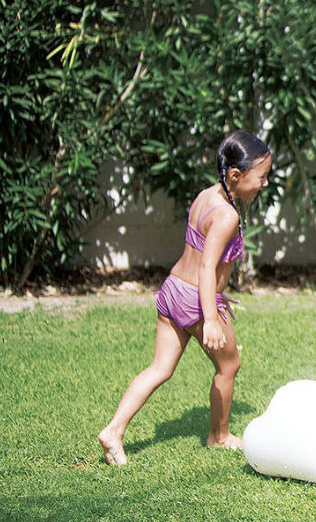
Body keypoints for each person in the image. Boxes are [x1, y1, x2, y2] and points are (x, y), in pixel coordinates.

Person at [98, 130, 272, 466]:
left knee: (160, 367)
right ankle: (219, 436)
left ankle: (113, 431)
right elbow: (208, 267)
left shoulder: (208, 195)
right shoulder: (227, 215)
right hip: (197, 299)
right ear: (236, 175)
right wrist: (210, 316)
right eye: (261, 177)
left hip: (173, 289)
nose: (264, 184)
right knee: (229, 365)